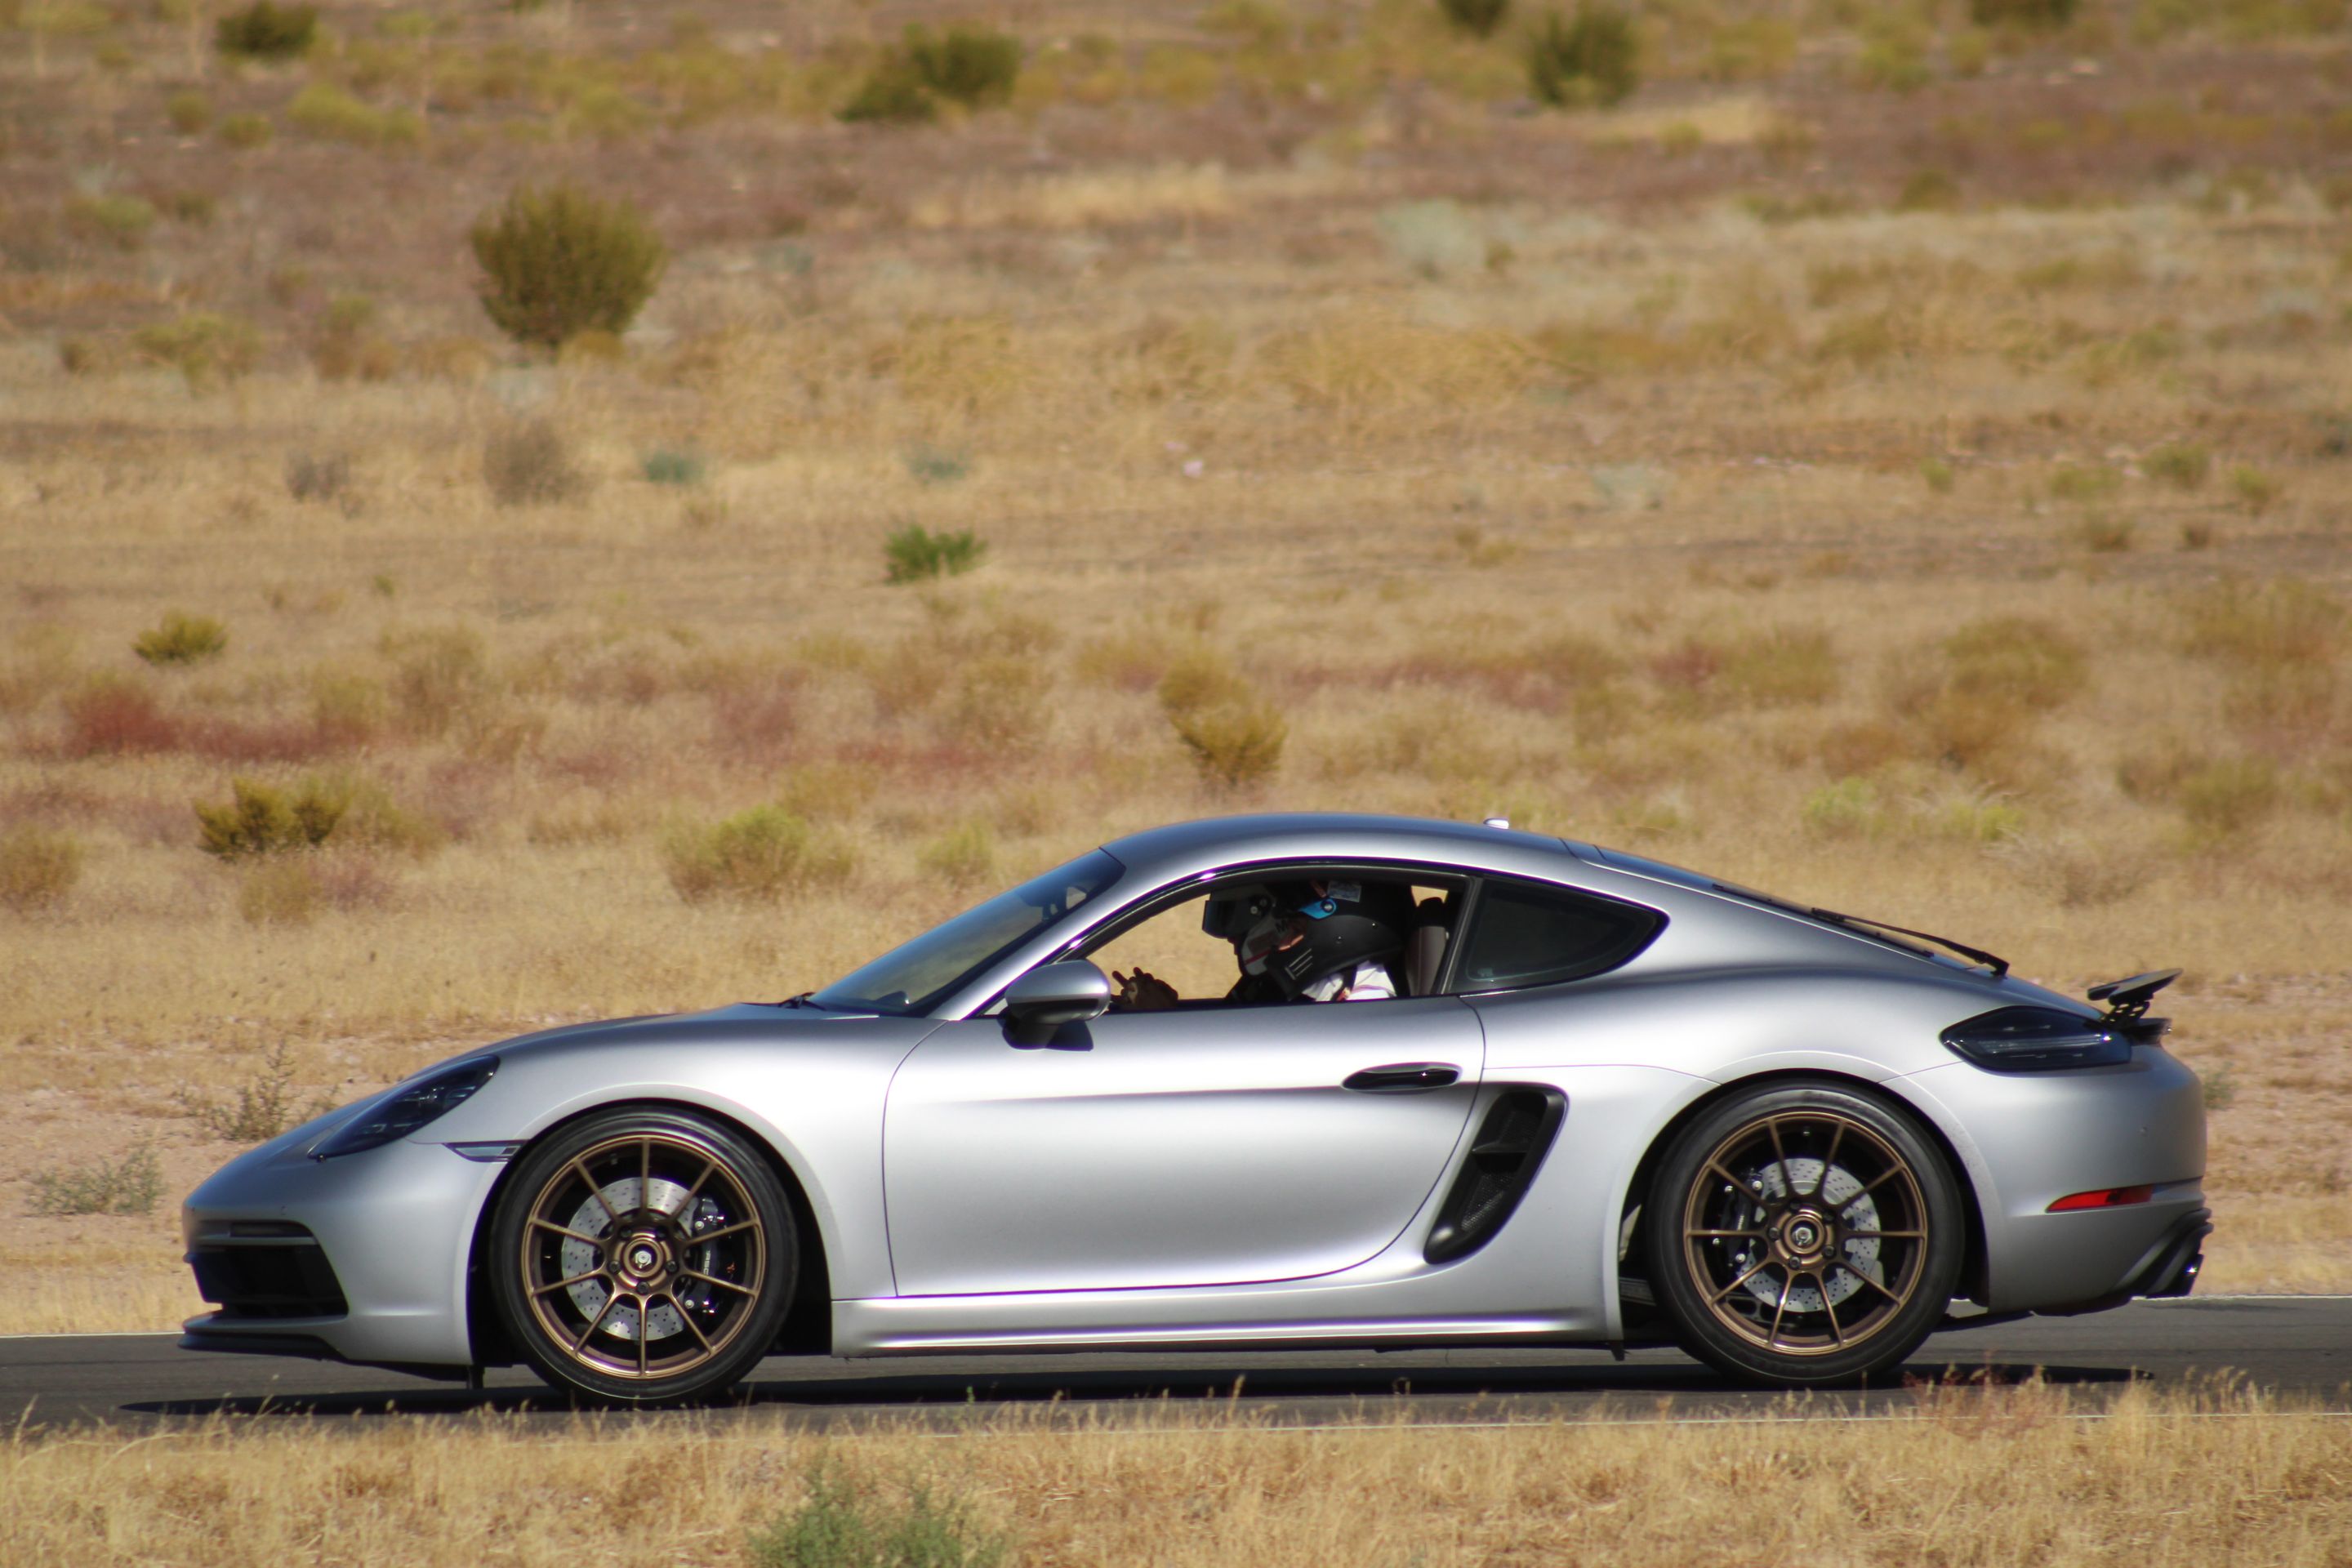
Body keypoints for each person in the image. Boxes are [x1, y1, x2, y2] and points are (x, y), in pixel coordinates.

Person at [1112, 880, 1410, 1009]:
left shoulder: (1362, 1009)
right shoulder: (1314, 993)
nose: (1282, 946)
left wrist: (1166, 1025)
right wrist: (1170, 1011)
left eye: (1294, 930)